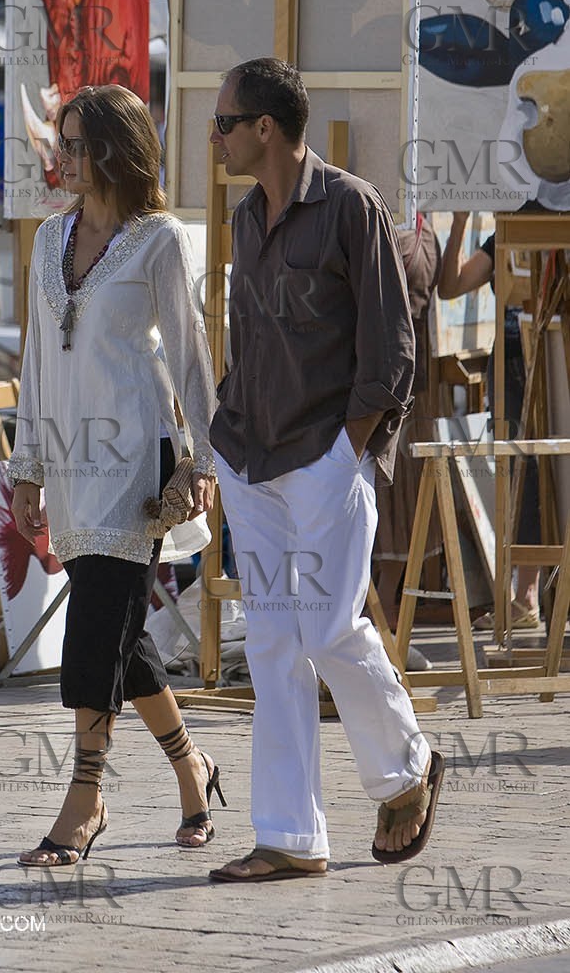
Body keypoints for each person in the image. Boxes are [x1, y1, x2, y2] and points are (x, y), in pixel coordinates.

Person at [202, 58, 443, 883]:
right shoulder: (242, 218)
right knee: (271, 643)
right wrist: (222, 433)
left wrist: (349, 449)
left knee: (329, 626)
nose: (215, 135)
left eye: (224, 122)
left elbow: (391, 349)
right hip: (252, 457)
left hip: (326, 456)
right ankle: (289, 836)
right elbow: (244, 342)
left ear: (264, 128)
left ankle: (404, 769)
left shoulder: (350, 207)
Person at [8, 83, 223, 866]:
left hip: (137, 460)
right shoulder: (45, 241)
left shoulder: (161, 240)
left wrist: (201, 460)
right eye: (57, 142)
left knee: (93, 624)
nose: (57, 156)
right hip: (68, 463)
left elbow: (193, 358)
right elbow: (34, 361)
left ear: (110, 151)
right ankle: (193, 770)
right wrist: (25, 467)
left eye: (71, 144)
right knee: (124, 640)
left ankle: (84, 800)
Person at [438, 212, 541, 629]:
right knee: (520, 470)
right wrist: (461, 221)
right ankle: (527, 594)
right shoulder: (506, 231)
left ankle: (533, 594)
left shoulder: (551, 224)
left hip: (551, 353)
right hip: (511, 358)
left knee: (547, 467)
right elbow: (451, 286)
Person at [373, 216, 444, 625]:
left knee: (396, 511)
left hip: (403, 386)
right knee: (385, 511)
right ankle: (382, 629)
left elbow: (446, 286)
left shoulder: (425, 231)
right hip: (386, 384)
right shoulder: (393, 226)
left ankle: (385, 629)